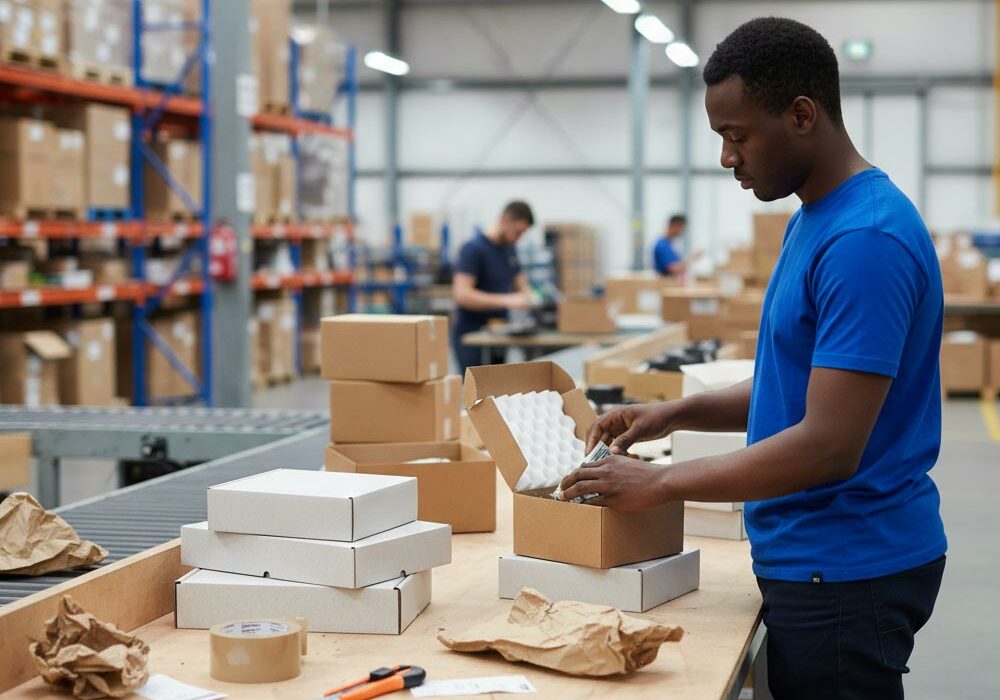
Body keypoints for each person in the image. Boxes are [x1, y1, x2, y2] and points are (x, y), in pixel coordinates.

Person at [559, 18, 945, 700]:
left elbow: (828, 445)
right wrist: (675, 413)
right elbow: (790, 385)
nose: (726, 157)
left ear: (802, 115)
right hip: (816, 556)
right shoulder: (814, 218)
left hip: (846, 565)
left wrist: (661, 483)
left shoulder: (864, 240)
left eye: (737, 135)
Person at [451, 201, 536, 376]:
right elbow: (462, 295)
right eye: (517, 232)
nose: (518, 238)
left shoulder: (509, 250)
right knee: (474, 390)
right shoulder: (473, 249)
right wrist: (507, 301)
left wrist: (531, 297)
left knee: (496, 387)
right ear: (505, 220)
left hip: (498, 334)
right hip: (472, 335)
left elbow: (521, 283)